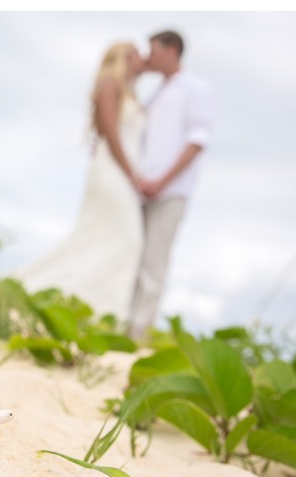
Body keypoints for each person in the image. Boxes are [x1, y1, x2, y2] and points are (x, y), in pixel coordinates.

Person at [16, 42, 146, 321]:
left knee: (117, 240)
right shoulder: (110, 85)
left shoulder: (130, 92)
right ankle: (38, 287)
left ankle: (100, 312)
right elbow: (111, 132)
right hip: (113, 170)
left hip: (123, 172)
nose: (141, 59)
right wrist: (132, 175)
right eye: (135, 54)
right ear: (122, 57)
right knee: (123, 237)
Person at [127, 30, 216, 339]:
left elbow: (197, 140)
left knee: (154, 262)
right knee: (132, 257)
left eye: (153, 51)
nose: (149, 58)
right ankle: (124, 324)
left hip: (171, 190)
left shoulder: (196, 88)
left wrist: (162, 181)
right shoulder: (156, 95)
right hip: (142, 189)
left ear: (172, 49)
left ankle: (138, 334)